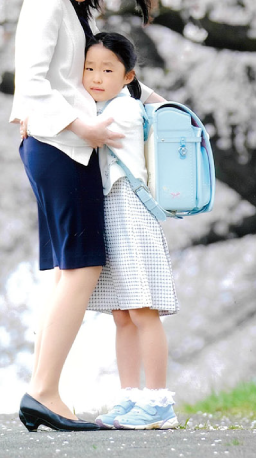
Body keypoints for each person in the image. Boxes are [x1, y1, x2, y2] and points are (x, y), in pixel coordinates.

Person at [9, 0, 152, 432]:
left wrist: (147, 98)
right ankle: (44, 390)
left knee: (73, 273)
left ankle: (42, 390)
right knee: (83, 269)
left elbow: (87, 77)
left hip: (62, 145)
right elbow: (31, 84)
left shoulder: (64, 2)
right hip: (61, 145)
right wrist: (83, 128)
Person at [81, 32, 180, 431]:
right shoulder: (111, 103)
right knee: (122, 314)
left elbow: (79, 129)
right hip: (114, 211)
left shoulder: (120, 110)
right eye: (88, 68)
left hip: (130, 212)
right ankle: (130, 398)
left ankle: (158, 402)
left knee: (142, 311)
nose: (96, 77)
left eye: (107, 70)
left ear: (128, 76)